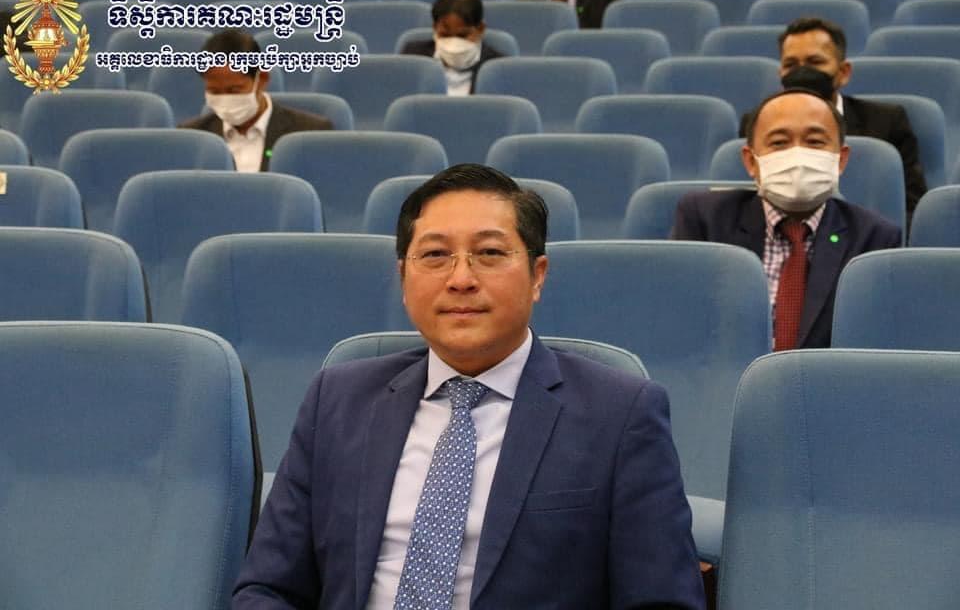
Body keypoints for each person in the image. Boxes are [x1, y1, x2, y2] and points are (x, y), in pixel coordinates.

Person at [234, 163, 705, 609]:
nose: (461, 279)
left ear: (537, 275)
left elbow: (662, 601)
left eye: (490, 254)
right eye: (435, 255)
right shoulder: (338, 400)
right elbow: (268, 588)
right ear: (403, 278)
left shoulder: (620, 415)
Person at [676, 89, 901, 350]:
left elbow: (873, 343)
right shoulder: (706, 219)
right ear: (751, 161)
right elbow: (685, 324)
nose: (798, 157)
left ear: (841, 159)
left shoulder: (875, 238)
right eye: (779, 143)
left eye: (814, 142)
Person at [739, 18, 927, 222]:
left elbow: (910, 207)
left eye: (815, 62)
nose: (802, 72)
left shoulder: (886, 121)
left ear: (843, 72)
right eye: (791, 64)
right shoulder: (757, 122)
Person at [179, 30, 332, 173]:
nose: (225, 99)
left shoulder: (310, 133)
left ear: (262, 79)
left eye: (234, 90)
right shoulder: (191, 138)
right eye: (214, 91)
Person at [400, 0, 503, 96]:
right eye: (445, 35)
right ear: (435, 28)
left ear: (480, 29)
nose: (454, 44)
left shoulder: (497, 67)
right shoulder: (413, 57)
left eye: (462, 36)